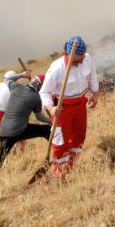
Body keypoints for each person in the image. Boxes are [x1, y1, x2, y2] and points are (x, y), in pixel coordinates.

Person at [40, 36, 99, 178]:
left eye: (84, 53)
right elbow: (44, 92)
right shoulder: (57, 68)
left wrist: (95, 94)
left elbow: (92, 77)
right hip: (62, 109)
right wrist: (51, 109)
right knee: (61, 141)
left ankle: (71, 164)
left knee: (79, 135)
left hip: (80, 105)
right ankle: (59, 171)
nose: (83, 57)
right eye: (80, 55)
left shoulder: (87, 59)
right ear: (70, 54)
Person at [0, 71, 51, 174]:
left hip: (4, 129)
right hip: (19, 130)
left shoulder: (16, 87)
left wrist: (22, 75)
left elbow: (6, 78)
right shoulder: (35, 97)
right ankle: (54, 153)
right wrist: (52, 121)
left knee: (1, 154)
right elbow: (39, 117)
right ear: (41, 87)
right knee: (47, 130)